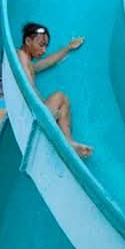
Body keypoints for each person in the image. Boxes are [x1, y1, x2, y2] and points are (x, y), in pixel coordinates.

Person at [17, 23, 93, 158]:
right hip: (32, 113)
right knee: (59, 96)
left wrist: (68, 48)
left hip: (35, 111)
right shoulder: (21, 55)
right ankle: (68, 142)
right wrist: (42, 107)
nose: (44, 50)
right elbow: (28, 87)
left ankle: (69, 142)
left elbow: (47, 62)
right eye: (41, 45)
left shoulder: (27, 63)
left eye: (46, 46)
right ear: (28, 41)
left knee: (62, 99)